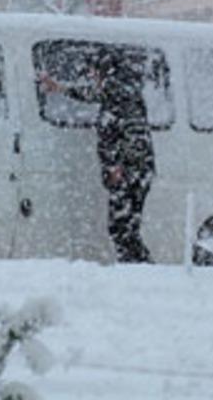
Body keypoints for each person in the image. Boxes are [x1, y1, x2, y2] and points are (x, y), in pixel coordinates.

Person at [38, 48, 155, 263]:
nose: (91, 77)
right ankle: (138, 268)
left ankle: (142, 269)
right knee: (123, 229)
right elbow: (92, 94)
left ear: (104, 71)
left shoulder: (121, 93)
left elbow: (136, 135)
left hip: (132, 174)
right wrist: (61, 88)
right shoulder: (117, 91)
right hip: (134, 173)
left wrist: (119, 166)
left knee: (122, 229)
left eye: (92, 72)